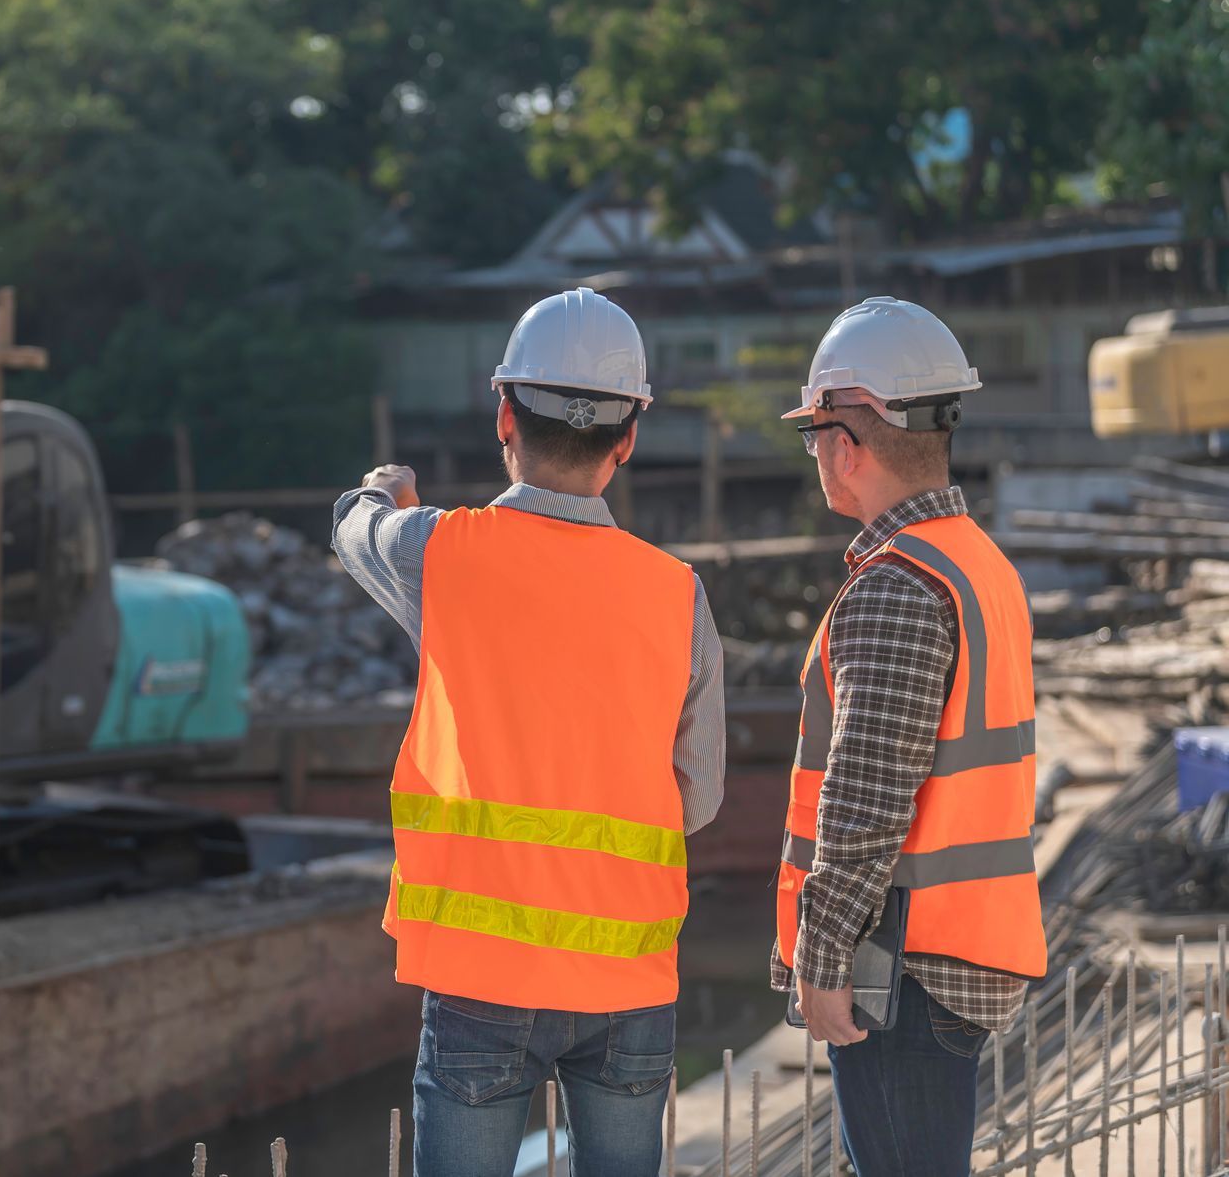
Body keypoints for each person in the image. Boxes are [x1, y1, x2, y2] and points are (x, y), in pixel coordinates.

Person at [331, 288, 727, 1177]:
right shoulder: (679, 594)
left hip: (481, 978)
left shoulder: (440, 553)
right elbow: (697, 796)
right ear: (628, 438)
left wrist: (380, 489)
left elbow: (356, 530)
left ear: (504, 415)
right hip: (628, 974)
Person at [771, 297, 1045, 1176]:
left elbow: (865, 800)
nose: (816, 452)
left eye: (815, 433)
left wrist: (820, 959)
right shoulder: (978, 562)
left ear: (847, 445)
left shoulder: (898, 585)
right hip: (959, 948)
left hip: (904, 965)